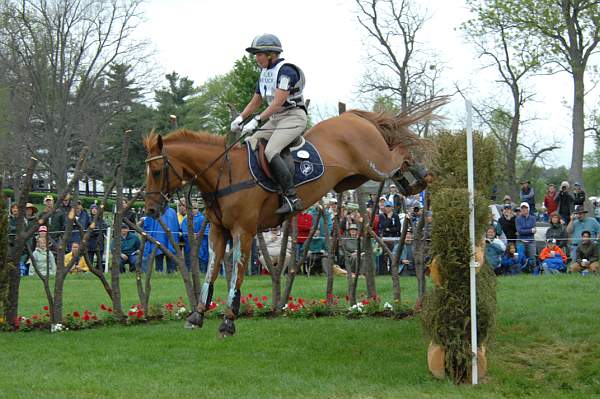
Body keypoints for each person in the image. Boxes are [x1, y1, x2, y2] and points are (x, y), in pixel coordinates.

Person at [231, 34, 308, 215]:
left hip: (293, 117)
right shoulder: (264, 72)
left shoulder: (286, 71)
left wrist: (257, 120)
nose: (256, 58)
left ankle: (292, 198)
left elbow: (278, 102)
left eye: (259, 54)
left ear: (271, 54)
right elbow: (256, 100)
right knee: (249, 142)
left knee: (271, 150)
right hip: (276, 118)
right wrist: (241, 118)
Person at [141, 205, 179, 273]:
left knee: (170, 257)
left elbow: (175, 226)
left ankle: (171, 273)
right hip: (157, 239)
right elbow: (148, 224)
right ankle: (159, 273)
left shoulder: (172, 212)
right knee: (158, 257)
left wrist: (175, 238)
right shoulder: (153, 211)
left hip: (169, 240)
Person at [181, 203, 210, 273]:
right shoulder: (185, 219)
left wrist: (197, 235)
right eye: (192, 208)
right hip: (189, 243)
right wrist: (190, 235)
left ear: (198, 209)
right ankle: (189, 272)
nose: (193, 210)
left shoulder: (202, 218)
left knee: (202, 259)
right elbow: (184, 230)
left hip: (201, 243)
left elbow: (206, 230)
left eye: (195, 208)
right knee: (189, 258)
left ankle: (203, 272)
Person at [378, 201, 401, 274]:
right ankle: (383, 272)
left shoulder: (396, 216)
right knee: (383, 255)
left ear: (392, 208)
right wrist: (389, 218)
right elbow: (383, 226)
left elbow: (398, 228)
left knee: (393, 255)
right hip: (385, 238)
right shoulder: (381, 215)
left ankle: (393, 271)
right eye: (386, 207)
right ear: (384, 208)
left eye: (389, 207)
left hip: (394, 238)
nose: (388, 208)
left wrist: (389, 229)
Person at [515, 202, 537, 272]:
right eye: (522, 208)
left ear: (528, 209)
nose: (524, 210)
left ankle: (534, 272)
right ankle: (520, 272)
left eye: (525, 208)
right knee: (520, 257)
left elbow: (533, 230)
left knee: (533, 258)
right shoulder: (517, 219)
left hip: (531, 241)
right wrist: (530, 230)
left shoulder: (533, 218)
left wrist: (524, 230)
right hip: (520, 241)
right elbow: (520, 231)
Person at [87, 204, 107, 270]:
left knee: (100, 260)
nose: (94, 210)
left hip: (99, 242)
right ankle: (89, 272)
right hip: (90, 242)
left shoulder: (101, 220)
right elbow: (87, 229)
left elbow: (105, 228)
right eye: (93, 209)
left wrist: (97, 230)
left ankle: (100, 271)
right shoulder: (88, 219)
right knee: (90, 260)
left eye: (96, 209)